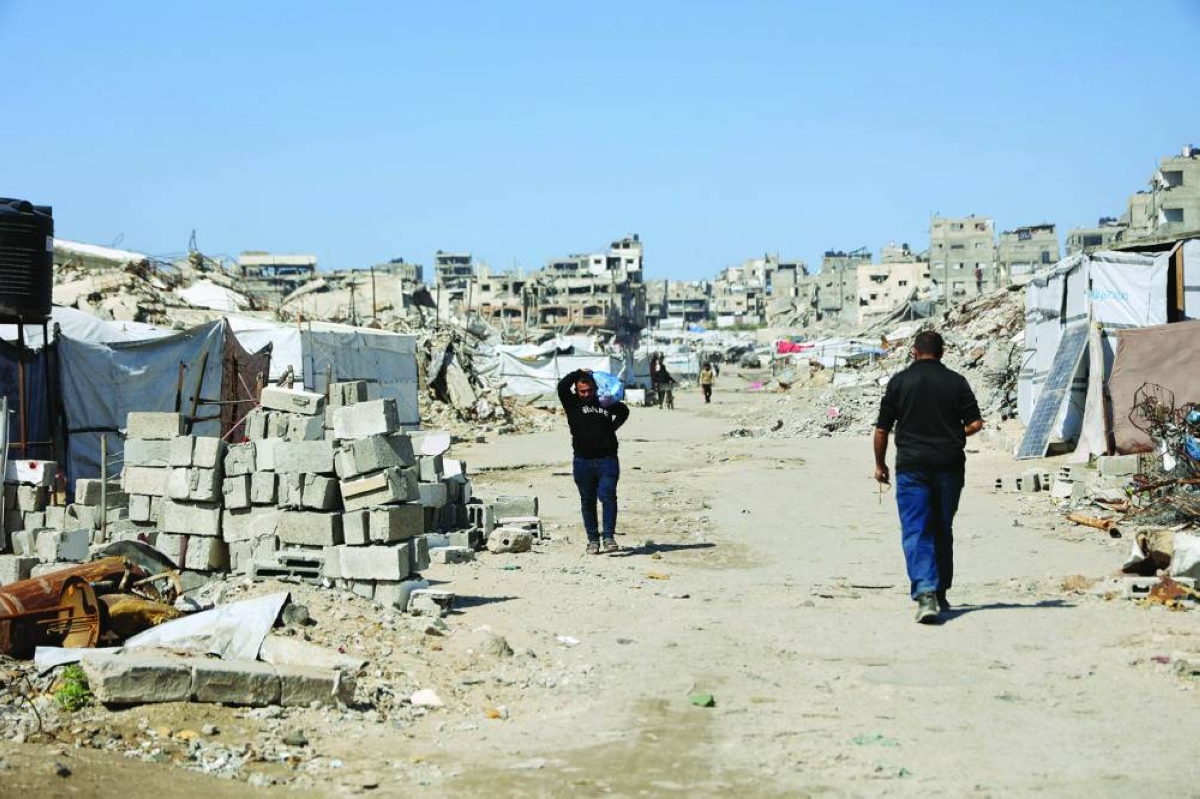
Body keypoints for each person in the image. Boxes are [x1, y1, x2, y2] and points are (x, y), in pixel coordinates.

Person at [873, 330, 983, 624]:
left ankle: (925, 593)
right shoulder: (956, 382)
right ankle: (941, 591)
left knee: (916, 529)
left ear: (913, 352)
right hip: (949, 465)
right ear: (942, 352)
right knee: (942, 527)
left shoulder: (899, 382)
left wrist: (880, 465)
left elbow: (882, 429)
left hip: (911, 467)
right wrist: (952, 434)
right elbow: (975, 423)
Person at [557, 368, 630, 555]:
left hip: (607, 459)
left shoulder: (605, 401)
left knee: (608, 496)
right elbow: (561, 386)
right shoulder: (571, 402)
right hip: (583, 461)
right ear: (577, 390)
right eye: (582, 391)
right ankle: (593, 541)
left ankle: (608, 537)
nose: (587, 394)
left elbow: (623, 412)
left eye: (590, 390)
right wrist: (578, 372)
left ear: (594, 388)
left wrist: (611, 429)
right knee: (588, 501)